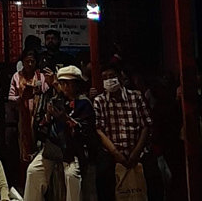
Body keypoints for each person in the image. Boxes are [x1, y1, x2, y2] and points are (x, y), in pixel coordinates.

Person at [24, 66, 95, 201]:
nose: (66, 86)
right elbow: (42, 130)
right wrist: (48, 117)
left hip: (74, 149)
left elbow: (86, 132)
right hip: (53, 147)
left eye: (69, 83)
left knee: (71, 175)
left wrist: (67, 120)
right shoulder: (55, 100)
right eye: (63, 83)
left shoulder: (84, 103)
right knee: (33, 171)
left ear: (77, 84)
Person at [94, 63, 163, 201]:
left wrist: (136, 152)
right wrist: (115, 153)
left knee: (154, 176)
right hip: (112, 150)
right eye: (105, 78)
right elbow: (99, 130)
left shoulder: (136, 97)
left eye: (112, 76)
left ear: (120, 76)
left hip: (138, 149)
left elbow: (146, 126)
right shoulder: (99, 101)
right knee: (102, 174)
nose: (109, 80)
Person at [9, 49, 49, 167]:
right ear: (23, 62)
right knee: (24, 149)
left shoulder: (40, 77)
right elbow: (10, 97)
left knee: (39, 147)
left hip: (39, 118)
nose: (30, 64)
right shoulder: (17, 77)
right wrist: (22, 97)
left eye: (32, 61)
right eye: (27, 61)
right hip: (22, 117)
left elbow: (46, 94)